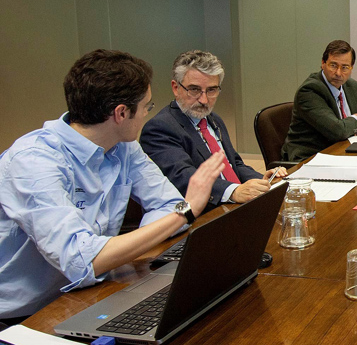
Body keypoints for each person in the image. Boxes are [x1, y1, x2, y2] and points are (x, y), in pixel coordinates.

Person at [0, 49, 224, 324]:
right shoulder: (33, 161)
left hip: (90, 293)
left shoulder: (123, 147)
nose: (147, 115)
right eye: (146, 107)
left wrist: (125, 246)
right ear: (121, 113)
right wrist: (184, 212)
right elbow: (83, 261)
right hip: (24, 317)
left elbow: (166, 203)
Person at [141, 50, 286, 207]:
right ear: (176, 88)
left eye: (211, 90)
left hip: (237, 206)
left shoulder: (213, 119)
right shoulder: (160, 128)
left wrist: (260, 180)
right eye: (195, 89)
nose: (204, 100)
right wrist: (234, 191)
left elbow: (234, 164)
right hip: (203, 213)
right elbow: (182, 177)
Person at [282, 40, 357, 161]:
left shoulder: (351, 86)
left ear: (351, 68)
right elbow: (338, 131)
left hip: (344, 152)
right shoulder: (310, 91)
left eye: (344, 67)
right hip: (311, 158)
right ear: (323, 63)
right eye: (333, 65)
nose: (338, 73)